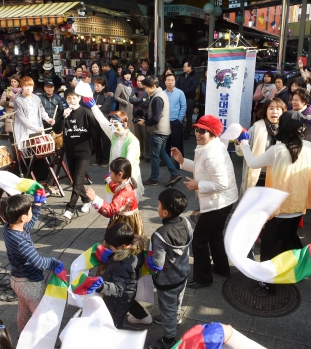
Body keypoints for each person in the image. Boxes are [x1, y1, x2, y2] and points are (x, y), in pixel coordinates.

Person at [239, 110, 311, 294]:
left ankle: (268, 282)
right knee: (289, 237)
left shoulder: (276, 150)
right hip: (298, 205)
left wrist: (245, 143)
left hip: (278, 207)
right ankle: (300, 269)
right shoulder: (309, 147)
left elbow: (253, 163)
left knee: (270, 245)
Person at [170, 115, 238, 289]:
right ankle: (222, 268)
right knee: (215, 235)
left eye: (203, 131)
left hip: (219, 203)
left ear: (213, 134)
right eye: (197, 130)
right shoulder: (209, 146)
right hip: (223, 201)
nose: (198, 134)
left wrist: (198, 185)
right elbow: (202, 168)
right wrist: (182, 161)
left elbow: (222, 183)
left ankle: (203, 278)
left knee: (199, 239)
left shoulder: (212, 153)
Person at [0, 192, 65, 333]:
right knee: (40, 314)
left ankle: (22, 334)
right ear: (23, 217)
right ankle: (39, 340)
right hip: (29, 284)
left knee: (23, 311)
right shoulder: (22, 242)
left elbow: (27, 225)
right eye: (29, 210)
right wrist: (53, 263)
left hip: (16, 280)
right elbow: (38, 262)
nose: (31, 212)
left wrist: (36, 206)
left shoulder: (8, 228)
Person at [146, 188, 193, 349]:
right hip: (183, 274)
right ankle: (176, 316)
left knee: (167, 307)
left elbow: (157, 263)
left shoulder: (160, 235)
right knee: (177, 300)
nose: (157, 207)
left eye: (158, 205)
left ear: (165, 212)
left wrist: (148, 261)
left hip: (167, 280)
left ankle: (168, 339)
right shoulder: (186, 222)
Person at [83, 96, 145, 201]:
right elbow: (102, 121)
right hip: (113, 177)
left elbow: (127, 163)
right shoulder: (115, 135)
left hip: (128, 179)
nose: (112, 128)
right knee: (111, 205)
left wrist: (115, 175)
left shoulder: (132, 141)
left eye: (115, 125)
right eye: (111, 125)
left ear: (124, 124)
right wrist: (93, 106)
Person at [95, 223, 151, 329]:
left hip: (117, 298)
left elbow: (118, 289)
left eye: (112, 246)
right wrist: (112, 255)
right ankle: (143, 316)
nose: (110, 247)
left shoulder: (122, 265)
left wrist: (102, 287)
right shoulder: (135, 248)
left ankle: (114, 335)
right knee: (129, 302)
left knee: (114, 318)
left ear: (123, 246)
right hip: (129, 290)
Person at [55, 90, 97, 222]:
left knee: (78, 179)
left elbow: (96, 126)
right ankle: (86, 200)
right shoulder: (65, 113)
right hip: (70, 151)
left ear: (79, 98)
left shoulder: (85, 112)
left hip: (84, 152)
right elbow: (56, 130)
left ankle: (70, 208)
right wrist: (63, 117)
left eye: (74, 98)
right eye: (69, 98)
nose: (71, 100)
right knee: (75, 179)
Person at [235, 98, 286, 195]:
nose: (274, 111)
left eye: (278, 109)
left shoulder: (286, 130)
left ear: (283, 112)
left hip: (276, 176)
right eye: (271, 108)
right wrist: (239, 143)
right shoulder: (255, 129)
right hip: (258, 175)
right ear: (265, 111)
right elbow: (240, 153)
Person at [138, 76, 182, 188]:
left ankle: (154, 178)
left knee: (155, 156)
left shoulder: (157, 98)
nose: (145, 90)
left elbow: (156, 118)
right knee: (162, 153)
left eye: (146, 88)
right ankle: (174, 174)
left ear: (153, 87)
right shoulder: (161, 94)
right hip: (164, 131)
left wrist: (145, 122)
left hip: (158, 132)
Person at [85, 157, 144, 235]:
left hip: (125, 223)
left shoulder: (124, 193)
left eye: (111, 173)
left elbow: (110, 211)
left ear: (120, 174)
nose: (110, 174)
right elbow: (116, 188)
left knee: (121, 243)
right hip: (127, 218)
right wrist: (109, 180)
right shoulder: (126, 182)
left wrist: (95, 199)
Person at [13, 76, 55, 181]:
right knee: (27, 151)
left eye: (30, 86)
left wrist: (48, 119)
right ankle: (27, 176)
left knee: (39, 150)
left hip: (37, 127)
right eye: (26, 86)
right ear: (22, 87)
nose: (29, 89)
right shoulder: (18, 101)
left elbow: (42, 111)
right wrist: (35, 128)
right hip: (25, 130)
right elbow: (22, 119)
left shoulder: (36, 98)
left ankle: (42, 176)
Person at [164, 73, 187, 159]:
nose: (170, 82)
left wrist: (180, 119)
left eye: (172, 80)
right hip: (165, 122)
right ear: (165, 82)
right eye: (168, 80)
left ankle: (179, 161)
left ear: (175, 82)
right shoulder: (162, 93)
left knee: (178, 143)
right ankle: (166, 160)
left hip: (176, 122)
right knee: (166, 142)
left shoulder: (180, 93)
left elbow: (183, 106)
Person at [129, 74, 151, 162]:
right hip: (135, 116)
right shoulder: (134, 89)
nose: (139, 82)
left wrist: (137, 99)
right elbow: (130, 100)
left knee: (146, 137)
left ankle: (147, 154)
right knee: (138, 137)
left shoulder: (148, 90)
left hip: (144, 117)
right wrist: (142, 99)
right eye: (138, 81)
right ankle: (140, 153)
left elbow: (147, 103)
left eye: (141, 81)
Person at [92, 77, 112, 167]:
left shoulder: (107, 96)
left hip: (104, 120)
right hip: (94, 120)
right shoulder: (92, 95)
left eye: (98, 85)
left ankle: (105, 159)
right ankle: (98, 158)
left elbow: (105, 108)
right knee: (96, 140)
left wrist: (96, 107)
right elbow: (88, 107)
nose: (96, 87)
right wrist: (98, 107)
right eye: (95, 85)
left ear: (103, 86)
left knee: (105, 140)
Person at [177, 60, 199, 140]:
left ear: (190, 67)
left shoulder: (195, 76)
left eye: (185, 66)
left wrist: (182, 92)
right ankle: (179, 131)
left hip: (189, 98)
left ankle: (187, 132)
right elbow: (178, 85)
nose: (183, 68)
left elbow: (193, 88)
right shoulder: (182, 76)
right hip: (180, 97)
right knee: (180, 115)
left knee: (188, 116)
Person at [115, 68, 135, 133]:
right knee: (125, 127)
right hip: (125, 109)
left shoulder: (131, 84)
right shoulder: (120, 85)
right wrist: (124, 102)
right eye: (126, 74)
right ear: (123, 75)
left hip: (132, 108)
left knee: (132, 127)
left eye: (129, 74)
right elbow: (116, 97)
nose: (128, 76)